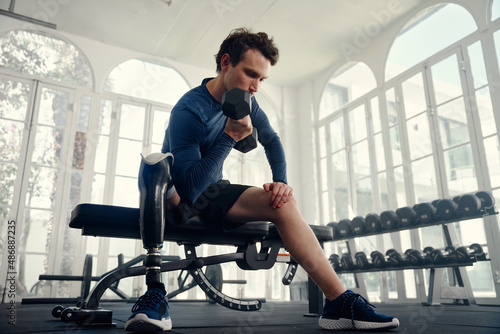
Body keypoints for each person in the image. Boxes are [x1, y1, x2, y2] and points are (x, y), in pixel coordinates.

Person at [125, 28, 399, 332]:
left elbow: (272, 140)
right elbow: (190, 189)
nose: (255, 87)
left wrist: (280, 181)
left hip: (215, 191)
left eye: (261, 79)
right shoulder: (189, 110)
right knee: (154, 167)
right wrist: (229, 136)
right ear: (226, 62)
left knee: (282, 202)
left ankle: (339, 301)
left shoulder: (246, 102)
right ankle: (154, 293)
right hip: (178, 197)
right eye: (250, 74)